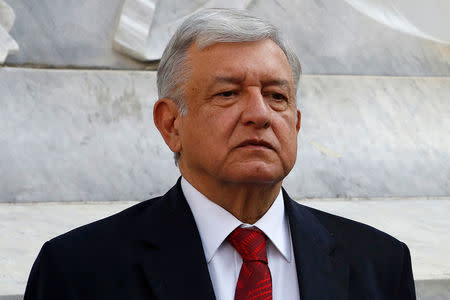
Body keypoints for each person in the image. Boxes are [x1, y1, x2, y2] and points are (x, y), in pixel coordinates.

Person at [24, 8, 416, 300]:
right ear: (171, 125)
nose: (259, 114)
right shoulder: (78, 270)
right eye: (228, 94)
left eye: (276, 96)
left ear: (296, 124)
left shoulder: (379, 264)